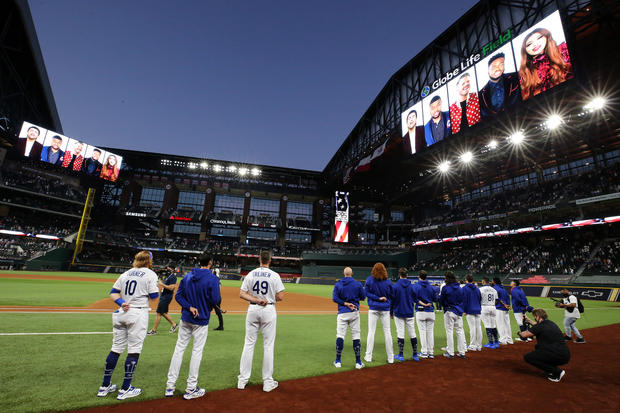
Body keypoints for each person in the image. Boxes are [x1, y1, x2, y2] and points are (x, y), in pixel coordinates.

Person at [97, 251, 159, 400]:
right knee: (134, 350)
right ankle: (125, 388)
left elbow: (113, 293)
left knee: (116, 348)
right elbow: (154, 297)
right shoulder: (151, 274)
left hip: (121, 312)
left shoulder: (126, 273)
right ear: (149, 261)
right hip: (137, 314)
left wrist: (121, 302)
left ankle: (105, 386)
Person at [165, 254, 221, 399]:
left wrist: (189, 307)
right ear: (210, 263)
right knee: (197, 352)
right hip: (201, 320)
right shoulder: (212, 278)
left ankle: (170, 386)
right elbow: (215, 299)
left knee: (179, 349)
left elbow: (178, 296)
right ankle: (191, 388)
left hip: (186, 318)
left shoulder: (188, 276)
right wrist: (205, 302)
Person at [238, 250, 285, 392]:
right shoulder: (275, 275)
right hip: (268, 310)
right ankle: (267, 382)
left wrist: (257, 300)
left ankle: (242, 380)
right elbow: (281, 296)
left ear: (259, 260)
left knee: (249, 344)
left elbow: (242, 294)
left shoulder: (251, 274)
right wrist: (268, 299)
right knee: (268, 346)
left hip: (253, 309)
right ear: (269, 260)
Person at [518, 27, 573, 100]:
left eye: (539, 38)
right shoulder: (524, 72)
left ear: (546, 37)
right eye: (529, 44)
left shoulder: (563, 51)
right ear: (525, 50)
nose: (535, 44)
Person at [518, 309, 570, 382]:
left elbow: (524, 335)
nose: (535, 318)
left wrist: (519, 333)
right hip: (564, 354)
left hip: (556, 354)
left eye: (535, 317)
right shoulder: (550, 323)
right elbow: (538, 326)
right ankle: (551, 370)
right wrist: (528, 320)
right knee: (538, 348)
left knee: (528, 357)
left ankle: (557, 372)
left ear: (538, 317)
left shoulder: (540, 326)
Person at [332, 267, 366, 369]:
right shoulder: (358, 284)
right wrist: (354, 298)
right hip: (354, 312)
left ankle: (338, 361)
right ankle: (358, 362)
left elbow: (335, 298)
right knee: (356, 336)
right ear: (352, 274)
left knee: (340, 336)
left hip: (342, 313)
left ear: (344, 274)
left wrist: (345, 303)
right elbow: (363, 297)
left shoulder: (338, 284)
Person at [363, 262, 394, 364]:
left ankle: (368, 356)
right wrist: (382, 299)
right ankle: (391, 358)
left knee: (371, 332)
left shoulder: (369, 280)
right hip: (385, 309)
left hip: (373, 308)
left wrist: (376, 298)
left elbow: (366, 293)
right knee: (387, 332)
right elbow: (391, 296)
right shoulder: (388, 282)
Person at [478, 52, 522, 117]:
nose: (498, 69)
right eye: (494, 66)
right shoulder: (481, 94)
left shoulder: (515, 77)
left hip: (519, 117)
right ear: (487, 70)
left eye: (501, 65)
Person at [391, 268, 419, 361]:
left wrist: (391, 312)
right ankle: (415, 354)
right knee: (412, 333)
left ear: (399, 275)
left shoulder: (395, 286)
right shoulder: (412, 286)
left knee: (400, 333)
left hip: (399, 312)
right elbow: (415, 299)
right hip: (409, 312)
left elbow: (392, 300)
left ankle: (401, 355)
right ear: (407, 275)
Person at [440, 271, 466, 359]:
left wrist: (445, 306)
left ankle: (450, 353)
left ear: (447, 278)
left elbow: (442, 300)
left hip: (449, 311)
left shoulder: (445, 288)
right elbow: (463, 300)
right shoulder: (460, 288)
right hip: (458, 311)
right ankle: (462, 352)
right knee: (460, 331)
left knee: (449, 331)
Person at [147, 266, 179, 335]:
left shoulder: (173, 277)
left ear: (173, 269)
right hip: (163, 296)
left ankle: (154, 330)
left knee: (159, 313)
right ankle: (174, 324)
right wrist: (160, 277)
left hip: (166, 297)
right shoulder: (167, 276)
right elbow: (162, 282)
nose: (167, 269)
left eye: (169, 268)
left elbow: (171, 288)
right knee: (163, 312)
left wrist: (162, 284)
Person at [412, 270, 437, 359]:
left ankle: (424, 352)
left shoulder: (416, 286)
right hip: (430, 311)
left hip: (421, 311)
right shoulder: (431, 287)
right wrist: (428, 303)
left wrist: (423, 304)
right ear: (426, 277)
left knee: (422, 332)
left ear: (419, 276)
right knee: (430, 332)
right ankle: (431, 352)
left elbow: (414, 299)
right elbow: (435, 299)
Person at [462, 274, 482, 351]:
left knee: (472, 328)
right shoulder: (477, 289)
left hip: (469, 310)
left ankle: (472, 345)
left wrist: (464, 310)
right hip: (477, 309)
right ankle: (479, 345)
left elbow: (464, 300)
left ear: (466, 280)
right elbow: (480, 298)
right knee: (478, 327)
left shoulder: (464, 288)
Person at [479, 277, 499, 349]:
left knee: (487, 325)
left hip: (484, 307)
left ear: (484, 282)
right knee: (493, 325)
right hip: (493, 307)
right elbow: (497, 300)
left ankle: (491, 342)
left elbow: (478, 299)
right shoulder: (494, 289)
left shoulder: (480, 289)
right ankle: (496, 341)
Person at [492, 277, 513, 345]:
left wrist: (504, 305)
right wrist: (508, 306)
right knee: (507, 324)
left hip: (499, 308)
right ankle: (509, 339)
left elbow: (497, 299)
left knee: (500, 324)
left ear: (494, 281)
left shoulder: (495, 288)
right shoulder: (503, 289)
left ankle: (503, 339)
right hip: (506, 309)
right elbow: (508, 297)